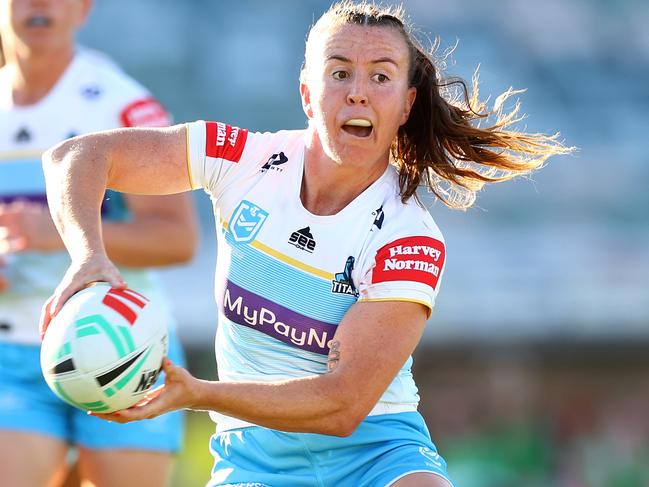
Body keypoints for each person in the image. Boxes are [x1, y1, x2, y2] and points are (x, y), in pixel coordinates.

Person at [40, 1, 572, 486]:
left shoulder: (409, 238)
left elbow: (342, 406)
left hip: (376, 452)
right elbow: (75, 158)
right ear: (306, 94)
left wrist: (194, 392)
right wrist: (89, 256)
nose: (357, 91)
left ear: (406, 104)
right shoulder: (241, 160)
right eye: (339, 72)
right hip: (252, 456)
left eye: (380, 77)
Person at [0, 1, 198, 486]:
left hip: (123, 346)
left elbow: (177, 238)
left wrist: (61, 233)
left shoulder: (121, 106)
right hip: (10, 357)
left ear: (84, 8)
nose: (40, 4)